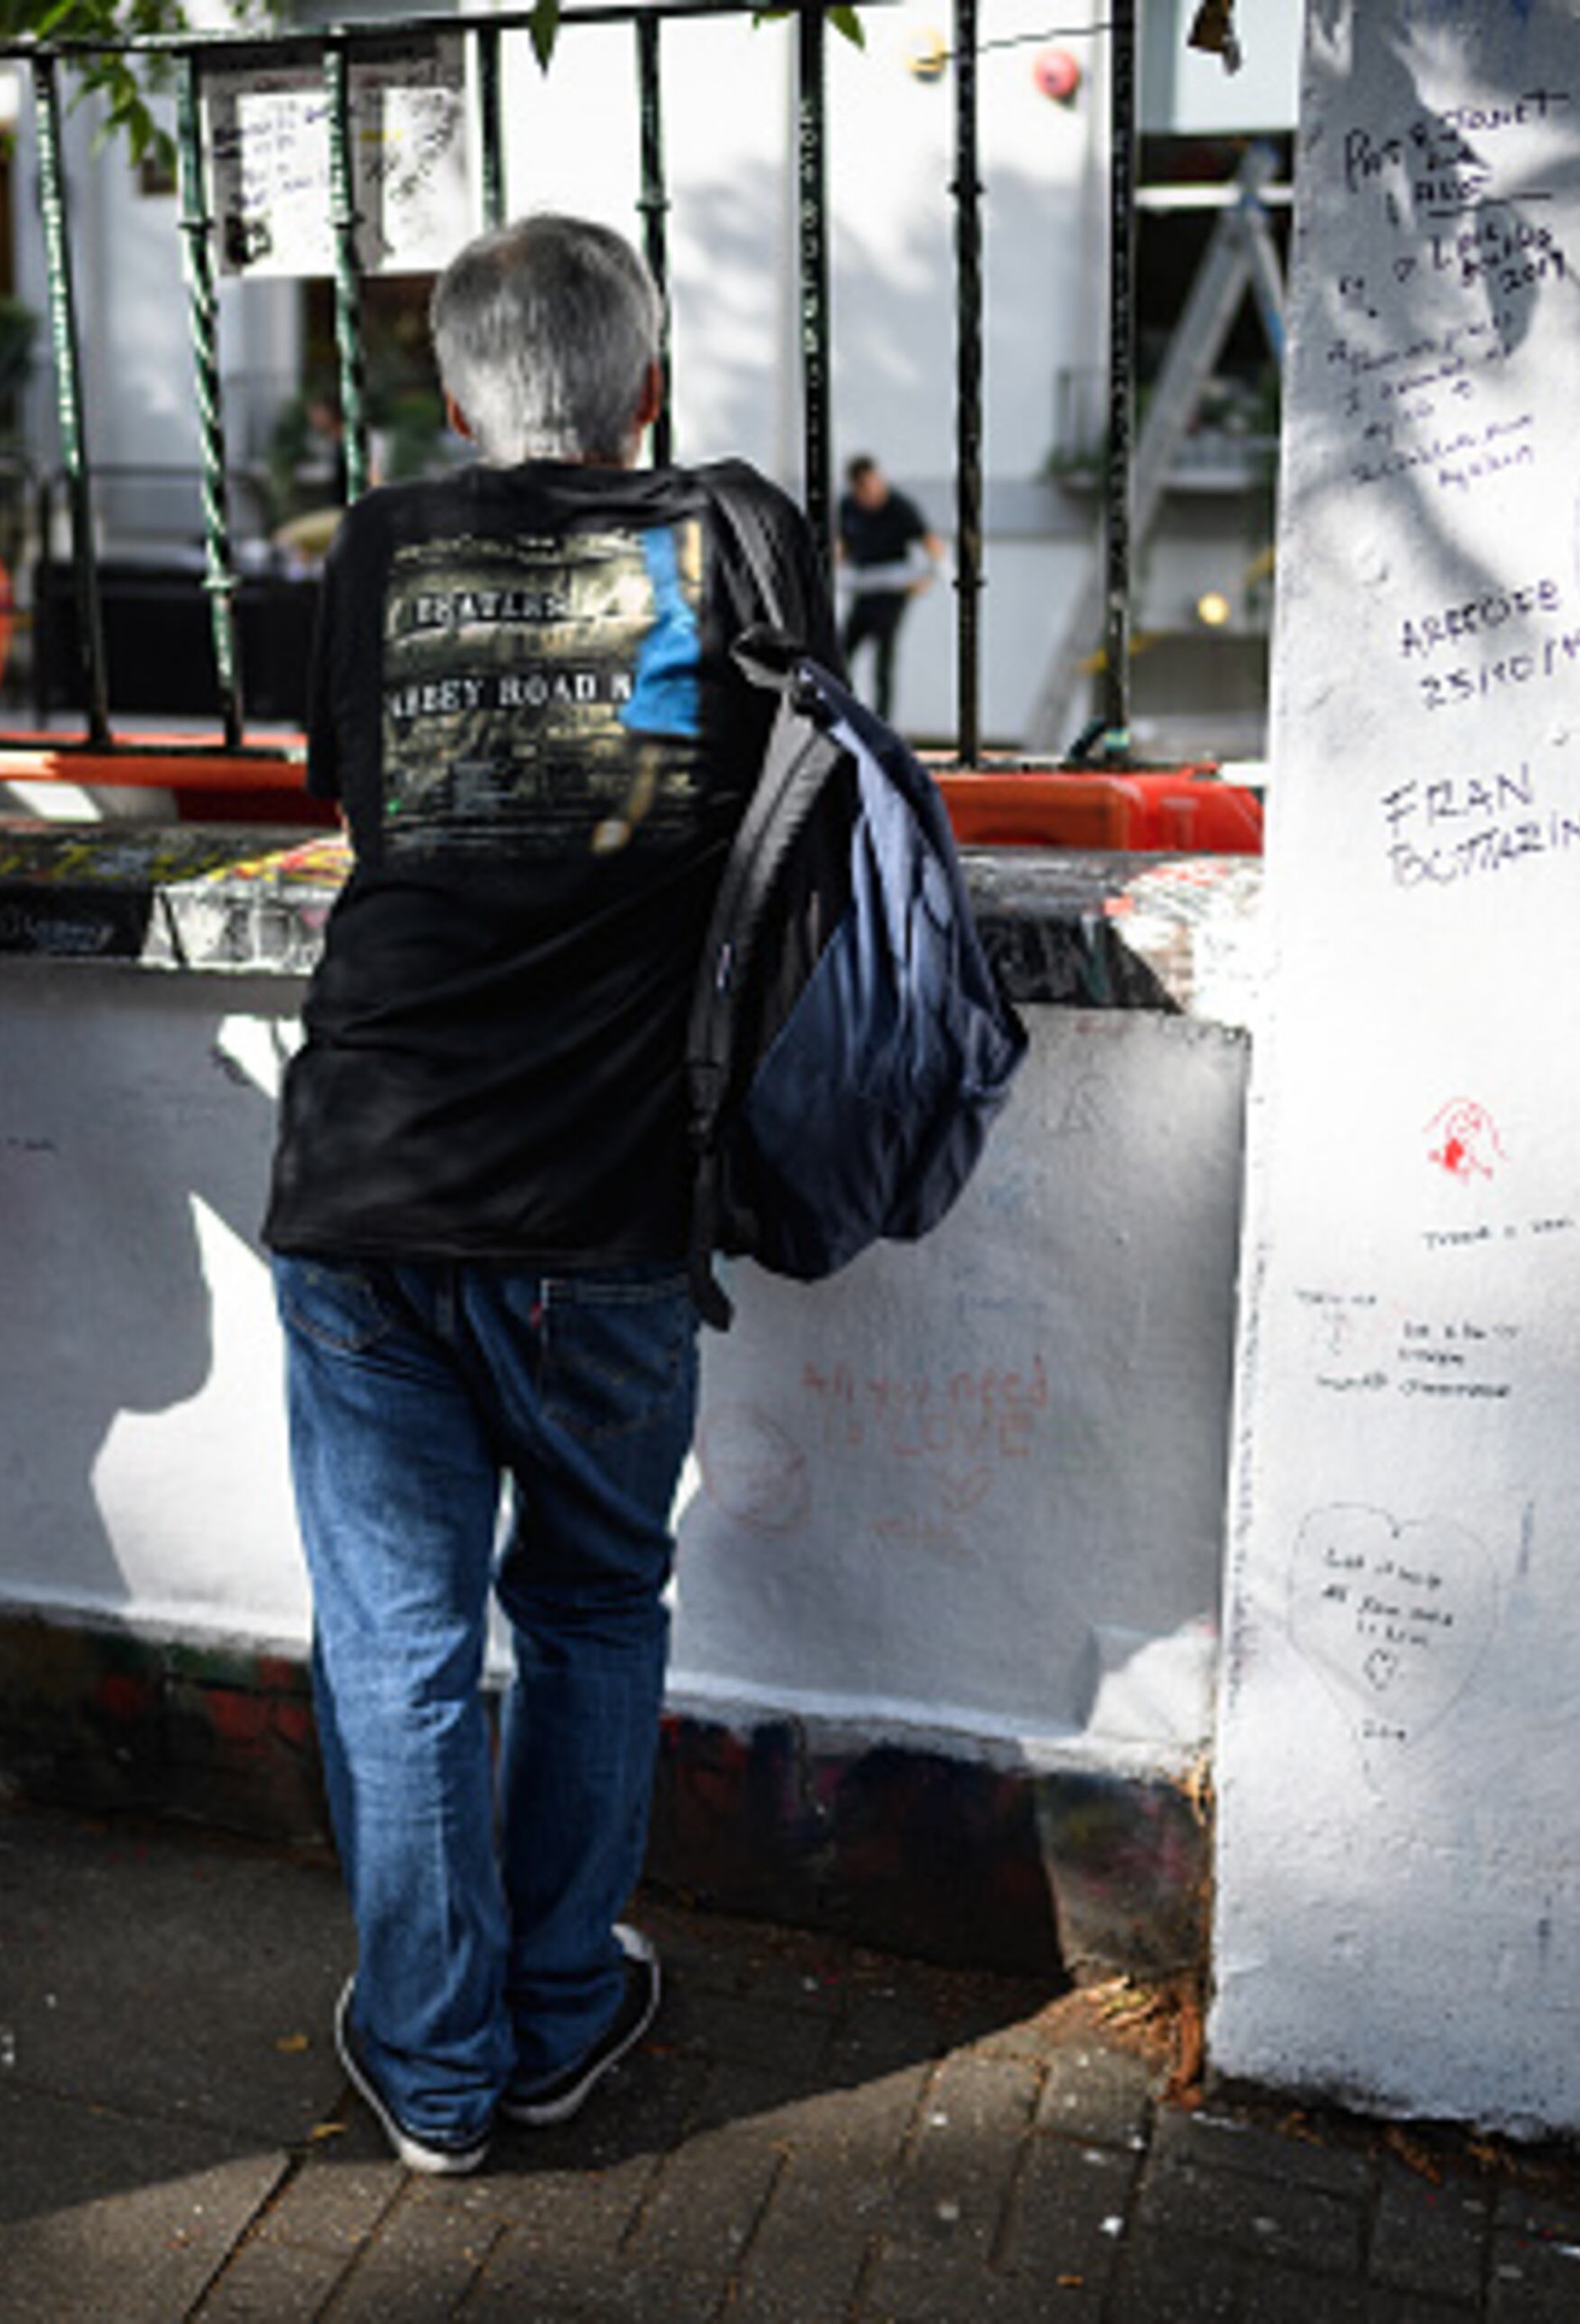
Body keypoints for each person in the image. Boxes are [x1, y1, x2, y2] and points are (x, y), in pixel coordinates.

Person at [262, 214, 831, 2174]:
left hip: (368, 1173)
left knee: (396, 1644)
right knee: (590, 1603)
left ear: (449, 398)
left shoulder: (378, 543)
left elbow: (358, 800)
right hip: (598, 1203)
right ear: (647, 388)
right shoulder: (738, 531)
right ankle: (560, 2014)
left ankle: (430, 2065)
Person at [834, 452, 943, 721]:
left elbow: (931, 543)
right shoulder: (848, 506)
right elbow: (842, 545)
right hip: (864, 587)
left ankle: (883, 721)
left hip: (893, 591)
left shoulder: (899, 506)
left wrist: (930, 578)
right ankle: (841, 714)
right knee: (840, 653)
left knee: (884, 661)